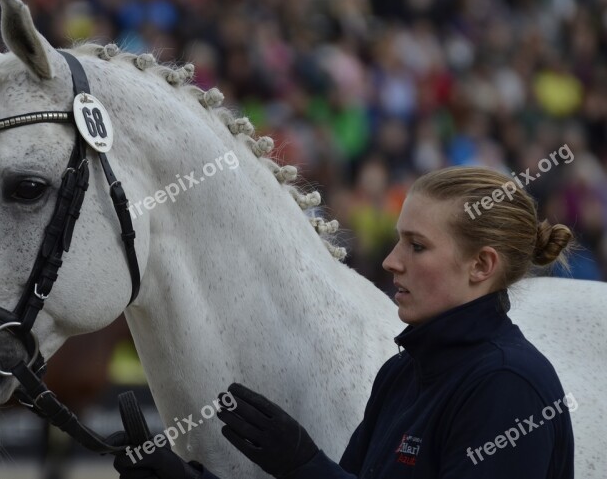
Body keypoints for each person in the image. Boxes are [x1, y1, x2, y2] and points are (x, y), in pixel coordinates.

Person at [111, 166, 576, 479]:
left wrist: (304, 465)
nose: (392, 261)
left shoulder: (507, 386)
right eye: (399, 242)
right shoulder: (402, 373)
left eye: (417, 246)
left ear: (481, 265)